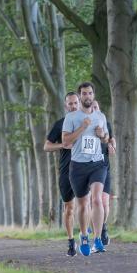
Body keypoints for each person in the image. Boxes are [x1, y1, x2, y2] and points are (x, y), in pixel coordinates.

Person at [62, 82, 109, 256]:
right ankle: (83, 235)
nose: (87, 96)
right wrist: (82, 127)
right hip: (78, 166)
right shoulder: (72, 118)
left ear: (93, 95)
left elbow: (105, 138)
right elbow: (66, 141)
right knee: (83, 204)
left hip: (97, 164)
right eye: (84, 93)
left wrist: (102, 135)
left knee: (97, 200)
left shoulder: (100, 116)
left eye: (90, 93)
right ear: (80, 96)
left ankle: (97, 238)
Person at [44, 92, 80, 256]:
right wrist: (62, 145)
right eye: (70, 104)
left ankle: (87, 237)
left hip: (85, 168)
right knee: (70, 207)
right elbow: (46, 146)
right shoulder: (60, 124)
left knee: (87, 204)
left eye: (75, 103)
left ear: (79, 103)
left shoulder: (88, 122)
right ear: (66, 106)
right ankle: (71, 241)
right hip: (66, 169)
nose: (73, 106)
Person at [92, 100, 116, 246]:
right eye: (92, 107)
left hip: (104, 165)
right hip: (88, 166)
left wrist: (112, 146)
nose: (94, 109)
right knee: (93, 201)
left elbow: (112, 140)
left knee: (105, 202)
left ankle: (103, 226)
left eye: (96, 107)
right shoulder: (83, 123)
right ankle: (96, 233)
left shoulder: (105, 123)